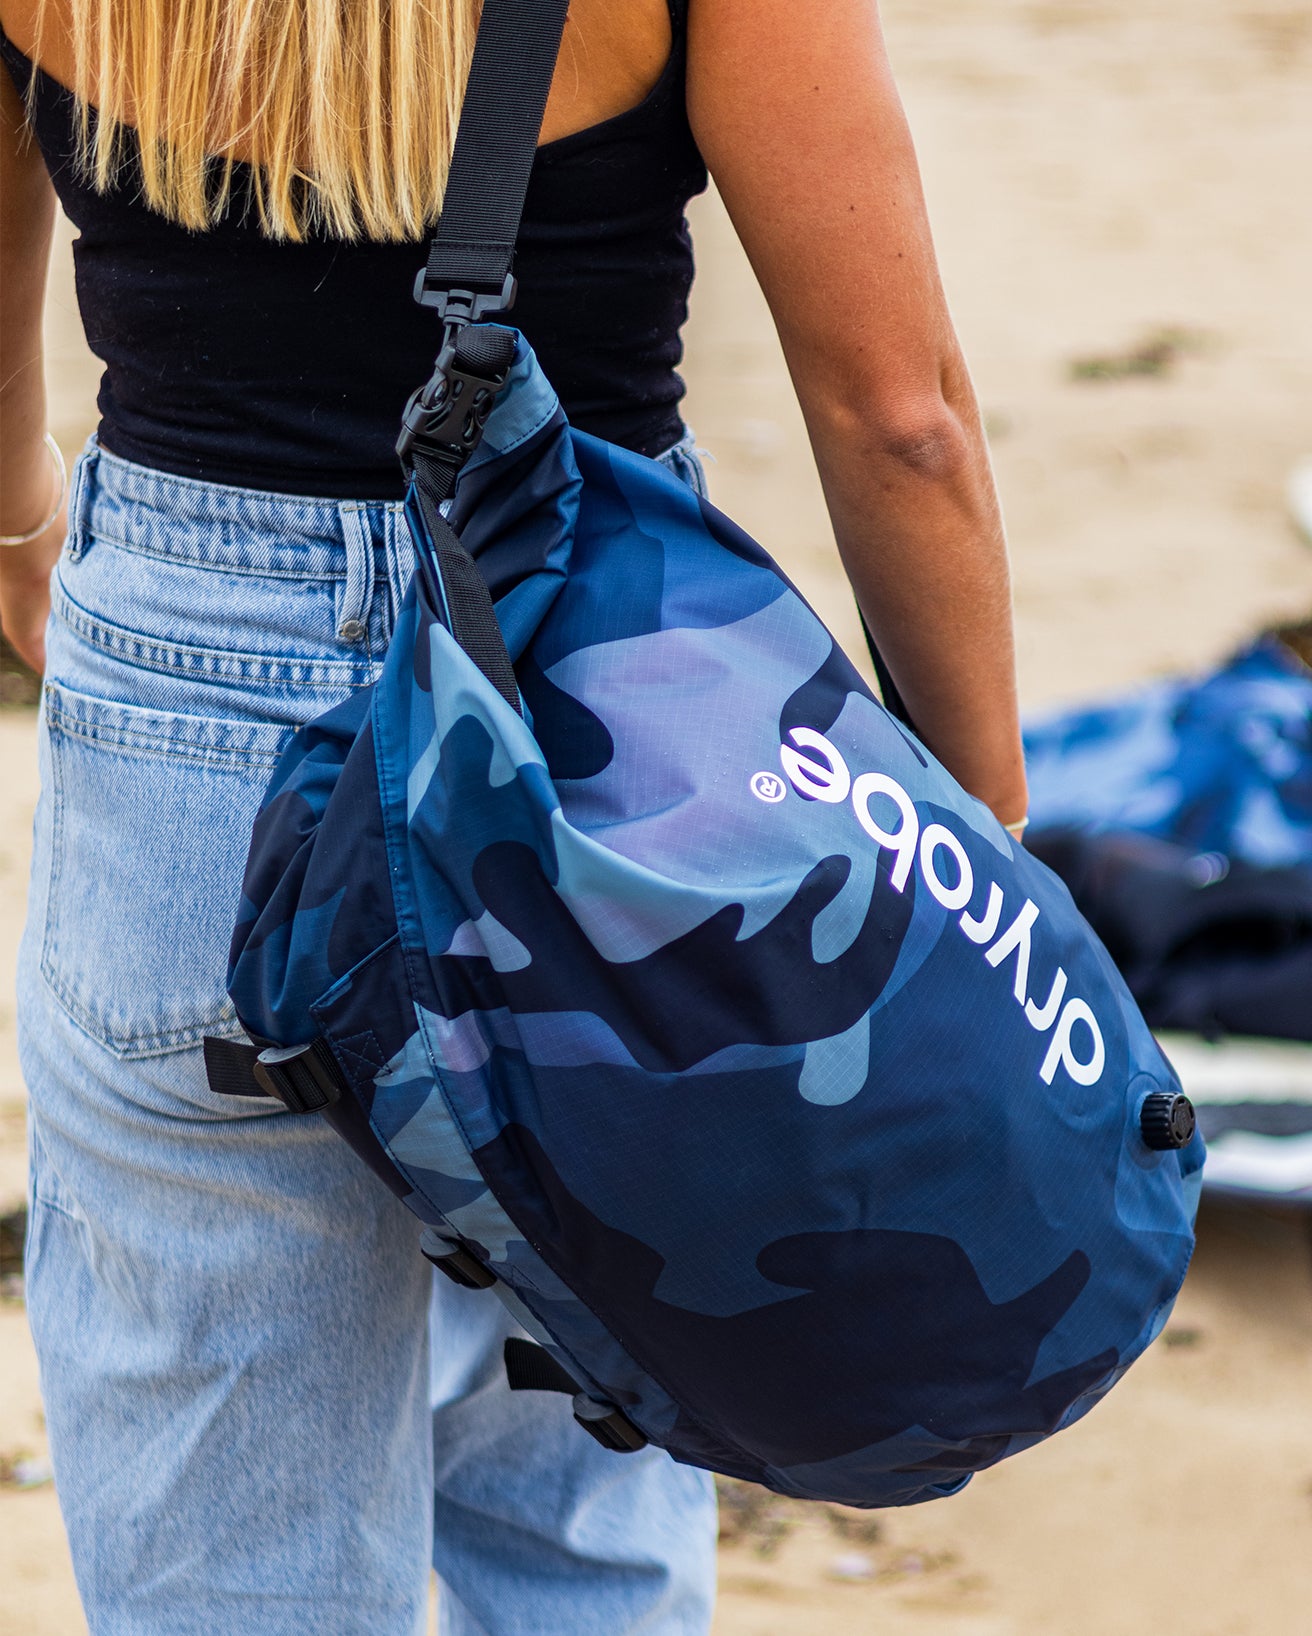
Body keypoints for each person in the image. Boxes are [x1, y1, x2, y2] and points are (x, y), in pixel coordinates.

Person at [0, 0, 1029, 1629]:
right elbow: (900, 419)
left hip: (196, 718)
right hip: (598, 716)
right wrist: (979, 835)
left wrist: (21, 523)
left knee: (229, 1556)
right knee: (581, 1506)